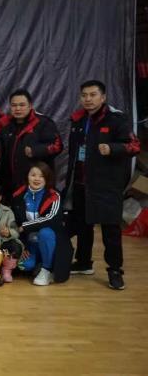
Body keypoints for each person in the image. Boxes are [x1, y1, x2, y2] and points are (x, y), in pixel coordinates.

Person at [64, 80, 140, 290]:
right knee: (83, 225)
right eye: (84, 95)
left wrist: (113, 148)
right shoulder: (78, 120)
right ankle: (84, 262)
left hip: (106, 185)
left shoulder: (116, 119)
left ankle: (115, 271)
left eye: (93, 95)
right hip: (81, 182)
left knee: (110, 230)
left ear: (103, 97)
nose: (88, 99)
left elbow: (134, 146)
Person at [10, 162, 71, 286]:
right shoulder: (18, 195)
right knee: (23, 266)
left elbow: (50, 219)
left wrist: (25, 227)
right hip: (30, 242)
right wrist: (22, 246)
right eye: (33, 175)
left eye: (41, 176)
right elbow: (14, 221)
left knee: (45, 232)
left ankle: (46, 269)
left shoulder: (54, 196)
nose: (37, 179)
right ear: (27, 176)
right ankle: (38, 265)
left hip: (51, 240)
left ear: (47, 178)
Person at [0, 89, 63, 197]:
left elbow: (58, 146)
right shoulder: (4, 124)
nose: (18, 108)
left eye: (22, 105)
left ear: (30, 106)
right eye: (14, 105)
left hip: (35, 182)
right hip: (9, 183)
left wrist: (35, 151)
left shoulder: (43, 122)